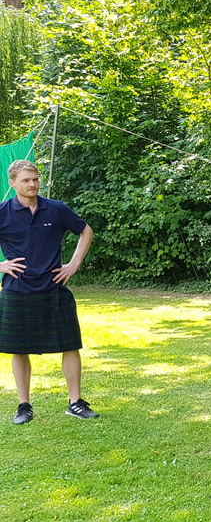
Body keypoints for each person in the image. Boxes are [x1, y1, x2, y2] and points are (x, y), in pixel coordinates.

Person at [1, 160, 98, 424]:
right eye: (26, 180)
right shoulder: (3, 212)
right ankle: (24, 406)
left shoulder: (56, 209)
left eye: (35, 179)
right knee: (19, 349)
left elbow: (86, 231)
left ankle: (75, 403)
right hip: (17, 290)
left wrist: (74, 264)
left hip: (54, 287)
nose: (32, 184)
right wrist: (0, 265)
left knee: (70, 345)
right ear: (13, 183)